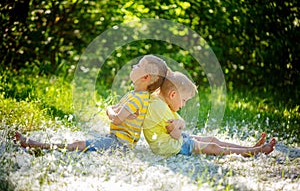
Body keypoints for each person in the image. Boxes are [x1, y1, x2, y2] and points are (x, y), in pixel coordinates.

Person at [15, 54, 170, 152]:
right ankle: (37, 144)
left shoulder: (138, 98)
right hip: (117, 140)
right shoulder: (137, 95)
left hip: (120, 145)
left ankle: (36, 145)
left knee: (79, 144)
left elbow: (116, 117)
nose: (133, 66)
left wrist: (109, 109)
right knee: (85, 143)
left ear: (145, 78)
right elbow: (123, 113)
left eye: (138, 66)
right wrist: (118, 112)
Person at [143, 71, 276, 158]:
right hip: (172, 146)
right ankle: (255, 151)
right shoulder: (159, 108)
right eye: (184, 100)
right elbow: (176, 135)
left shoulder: (162, 104)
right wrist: (179, 126)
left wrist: (180, 124)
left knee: (212, 139)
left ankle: (250, 148)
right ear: (173, 95)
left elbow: (178, 128)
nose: (183, 105)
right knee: (214, 147)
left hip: (174, 141)